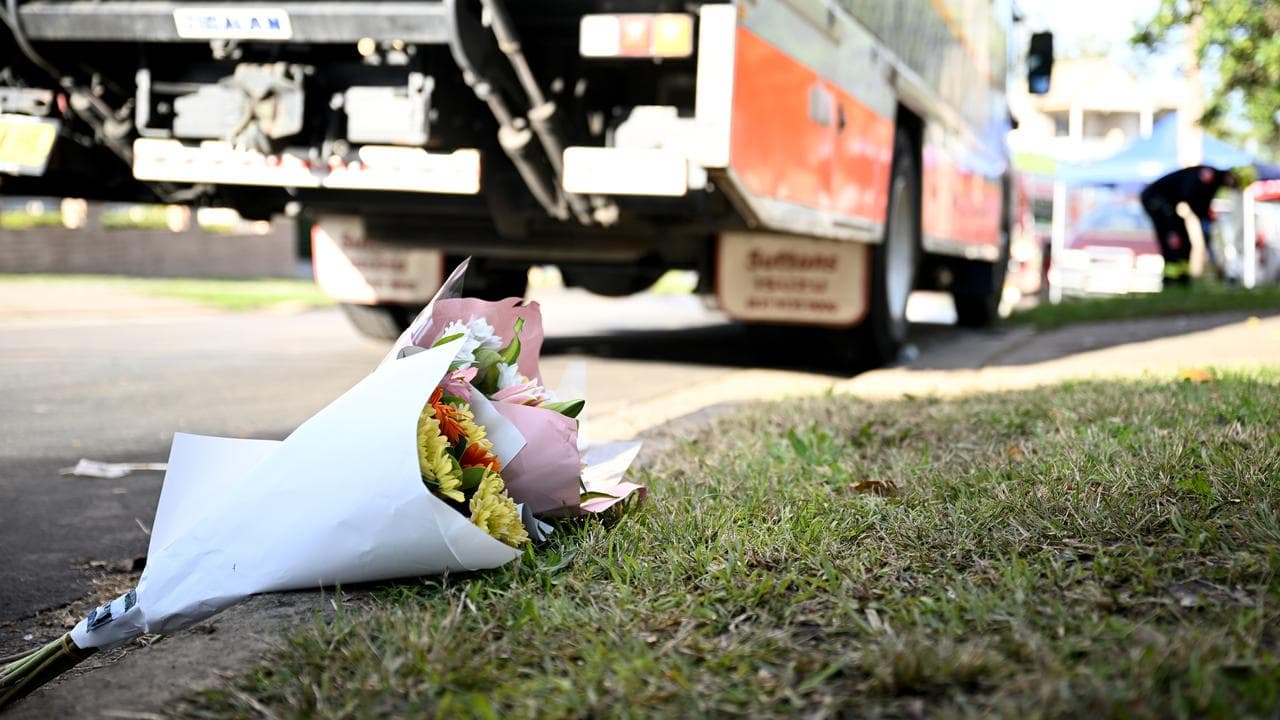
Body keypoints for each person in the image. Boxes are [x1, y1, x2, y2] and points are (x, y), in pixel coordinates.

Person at [1140, 165, 1239, 286]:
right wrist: (1202, 217)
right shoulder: (1208, 175)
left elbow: (1201, 202)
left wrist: (1205, 217)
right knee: (1172, 240)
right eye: (1235, 182)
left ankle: (1182, 277)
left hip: (1169, 204)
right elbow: (1191, 195)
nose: (1233, 186)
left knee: (1184, 240)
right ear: (1231, 175)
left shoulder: (1215, 182)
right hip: (1156, 200)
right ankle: (1171, 280)